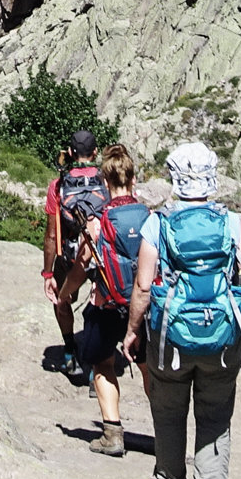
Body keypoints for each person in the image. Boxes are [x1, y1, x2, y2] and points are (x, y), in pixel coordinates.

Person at [121, 142, 241, 479]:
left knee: (168, 412)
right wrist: (233, 314)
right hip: (222, 340)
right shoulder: (230, 223)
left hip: (170, 339)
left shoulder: (158, 224)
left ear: (175, 178)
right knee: (215, 417)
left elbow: (143, 287)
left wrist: (133, 332)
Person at [73, 142, 150, 456]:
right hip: (142, 307)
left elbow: (81, 265)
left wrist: (64, 293)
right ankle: (167, 432)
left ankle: (112, 434)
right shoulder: (152, 219)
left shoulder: (96, 221)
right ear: (133, 181)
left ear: (105, 183)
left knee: (102, 364)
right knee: (148, 369)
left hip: (106, 304)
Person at [41, 129, 108, 383]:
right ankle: (97, 369)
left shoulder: (58, 185)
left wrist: (48, 273)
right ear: (94, 152)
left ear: (69, 153)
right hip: (100, 255)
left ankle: (70, 354)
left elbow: (50, 235)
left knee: (62, 300)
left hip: (70, 255)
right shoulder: (105, 181)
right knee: (99, 304)